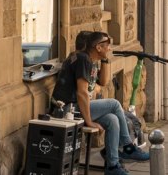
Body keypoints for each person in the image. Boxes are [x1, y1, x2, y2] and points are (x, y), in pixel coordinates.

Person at [53, 31, 148, 175]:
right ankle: (127, 147)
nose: (110, 48)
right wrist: (89, 121)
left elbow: (103, 82)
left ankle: (112, 166)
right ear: (98, 47)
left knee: (112, 119)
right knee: (114, 104)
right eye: (107, 46)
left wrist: (105, 59)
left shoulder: (90, 60)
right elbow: (82, 93)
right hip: (67, 110)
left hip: (75, 109)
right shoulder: (82, 59)